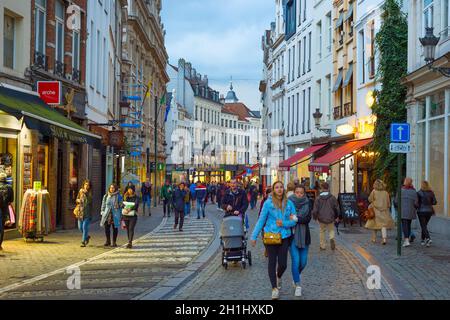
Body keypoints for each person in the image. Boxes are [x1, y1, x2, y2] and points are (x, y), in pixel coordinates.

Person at [250, 181, 297, 300]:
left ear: (284, 189)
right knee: (272, 262)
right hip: (270, 236)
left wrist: (285, 223)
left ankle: (278, 276)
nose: (279, 189)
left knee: (283, 264)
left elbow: (294, 220)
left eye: (281, 187)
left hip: (284, 236)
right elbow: (261, 220)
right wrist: (254, 236)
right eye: (277, 187)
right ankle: (274, 289)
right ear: (273, 190)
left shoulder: (289, 203)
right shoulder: (268, 203)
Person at [288, 185, 311, 297]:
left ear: (304, 193)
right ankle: (297, 284)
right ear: (294, 192)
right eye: (297, 192)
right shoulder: (288, 203)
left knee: (303, 262)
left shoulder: (308, 203)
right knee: (296, 261)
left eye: (301, 193)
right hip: (292, 236)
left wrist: (296, 219)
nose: (299, 195)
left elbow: (308, 219)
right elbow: (285, 217)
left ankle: (295, 274)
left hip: (304, 236)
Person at [312, 182, 340, 251]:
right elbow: (337, 208)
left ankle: (322, 246)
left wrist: (315, 217)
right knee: (331, 230)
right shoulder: (332, 197)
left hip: (321, 218)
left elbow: (315, 209)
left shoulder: (318, 198)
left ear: (321, 188)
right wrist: (337, 216)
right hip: (331, 217)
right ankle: (331, 238)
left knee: (322, 231)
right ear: (328, 188)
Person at [365, 180, 394, 245]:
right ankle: (384, 239)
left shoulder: (374, 192)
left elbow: (370, 199)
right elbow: (388, 203)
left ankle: (374, 238)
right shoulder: (386, 193)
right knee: (383, 226)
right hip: (384, 211)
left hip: (376, 211)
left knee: (375, 225)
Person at [395, 177, 419, 247]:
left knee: (405, 225)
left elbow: (396, 201)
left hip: (402, 211)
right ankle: (407, 239)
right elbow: (416, 203)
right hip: (411, 211)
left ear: (405, 182)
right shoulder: (414, 191)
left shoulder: (400, 190)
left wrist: (398, 206)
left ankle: (406, 240)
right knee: (408, 225)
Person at [417, 181, 437, 247]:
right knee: (424, 225)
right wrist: (429, 203)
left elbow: (416, 203)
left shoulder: (419, 192)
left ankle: (428, 238)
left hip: (421, 211)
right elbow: (434, 202)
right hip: (429, 211)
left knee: (423, 225)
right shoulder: (431, 193)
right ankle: (423, 240)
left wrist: (416, 207)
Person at [77, 180, 93, 247]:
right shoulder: (80, 191)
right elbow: (77, 199)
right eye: (85, 184)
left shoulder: (90, 193)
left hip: (87, 213)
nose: (86, 186)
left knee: (84, 227)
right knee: (80, 227)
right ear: (83, 185)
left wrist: (86, 193)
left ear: (89, 186)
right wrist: (78, 200)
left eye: (88, 185)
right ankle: (87, 236)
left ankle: (83, 241)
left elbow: (89, 200)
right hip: (80, 212)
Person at [0, 173, 13, 251]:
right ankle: (0, 244)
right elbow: (11, 200)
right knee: (1, 228)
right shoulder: (9, 187)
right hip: (4, 209)